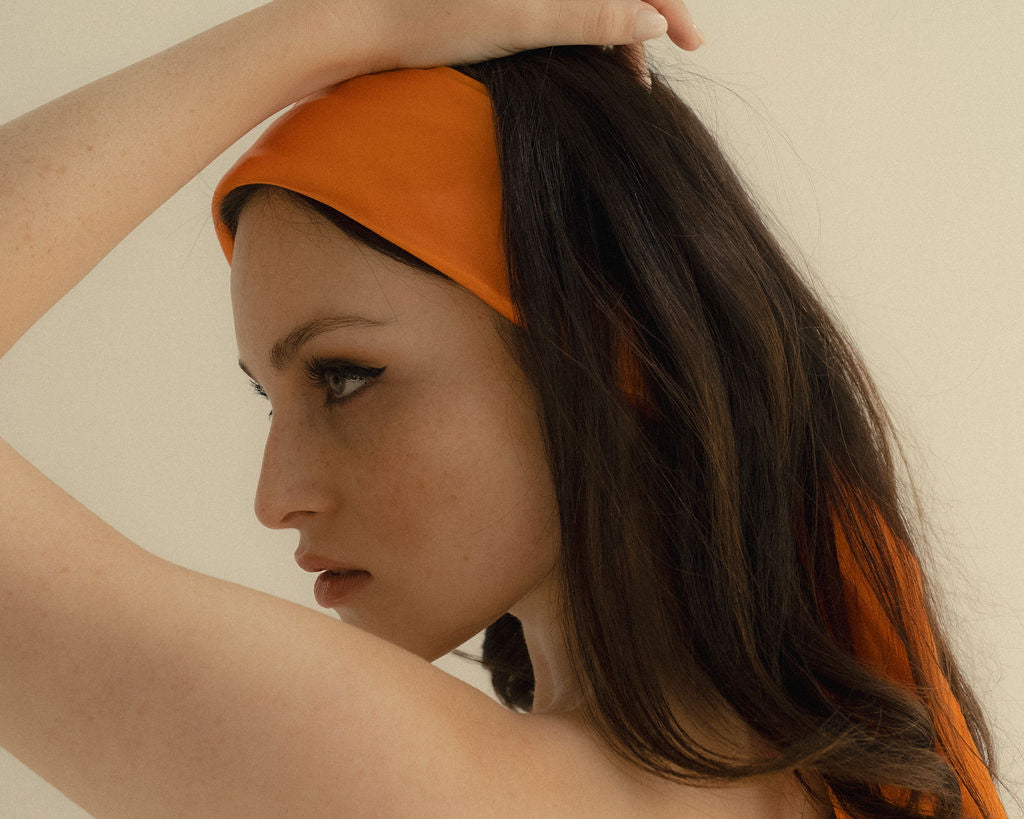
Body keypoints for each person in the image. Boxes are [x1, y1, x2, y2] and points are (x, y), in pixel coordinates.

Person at [0, 1, 1009, 816]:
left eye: (344, 377)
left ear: (615, 349)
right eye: (271, 398)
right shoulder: (858, 787)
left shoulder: (409, 786)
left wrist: (341, 23)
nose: (276, 497)